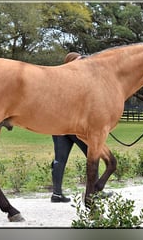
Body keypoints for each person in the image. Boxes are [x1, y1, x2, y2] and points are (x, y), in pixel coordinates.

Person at [50, 52, 90, 203]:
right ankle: (96, 190)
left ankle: (56, 194)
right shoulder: (74, 81)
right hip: (73, 127)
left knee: (59, 159)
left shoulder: (58, 80)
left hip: (58, 126)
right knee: (93, 154)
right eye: (79, 61)